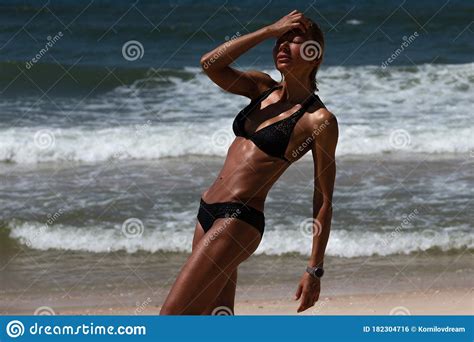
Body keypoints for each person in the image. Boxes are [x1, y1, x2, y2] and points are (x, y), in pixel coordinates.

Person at [160, 10, 338, 315]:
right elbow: (210, 64)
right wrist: (269, 29)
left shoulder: (317, 120)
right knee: (216, 318)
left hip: (238, 219)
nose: (283, 46)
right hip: (207, 212)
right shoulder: (260, 87)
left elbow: (322, 197)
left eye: (294, 41)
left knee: (172, 320)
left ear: (315, 55)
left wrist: (314, 270)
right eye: (280, 40)